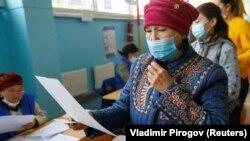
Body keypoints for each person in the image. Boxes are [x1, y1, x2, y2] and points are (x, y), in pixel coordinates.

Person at [69, 0, 229, 138]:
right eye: (148, 31)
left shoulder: (210, 74)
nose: (153, 38)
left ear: (182, 32)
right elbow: (123, 108)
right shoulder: (141, 63)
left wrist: (170, 91)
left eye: (161, 30)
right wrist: (91, 118)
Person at [191, 2, 240, 124]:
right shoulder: (192, 47)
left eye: (197, 22)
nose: (194, 26)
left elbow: (232, 89)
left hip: (217, 112)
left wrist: (206, 107)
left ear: (212, 22)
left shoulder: (225, 48)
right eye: (193, 23)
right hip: (193, 111)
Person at [213, 0, 250, 124]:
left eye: (216, 5)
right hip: (220, 76)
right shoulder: (220, 25)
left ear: (227, 7)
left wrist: (232, 61)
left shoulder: (242, 24)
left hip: (238, 78)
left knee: (232, 115)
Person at [0, 72, 47, 140]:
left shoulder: (27, 99)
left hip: (29, 136)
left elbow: (42, 115)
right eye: (11, 91)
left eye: (19, 90)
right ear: (1, 92)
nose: (16, 94)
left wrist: (35, 121)